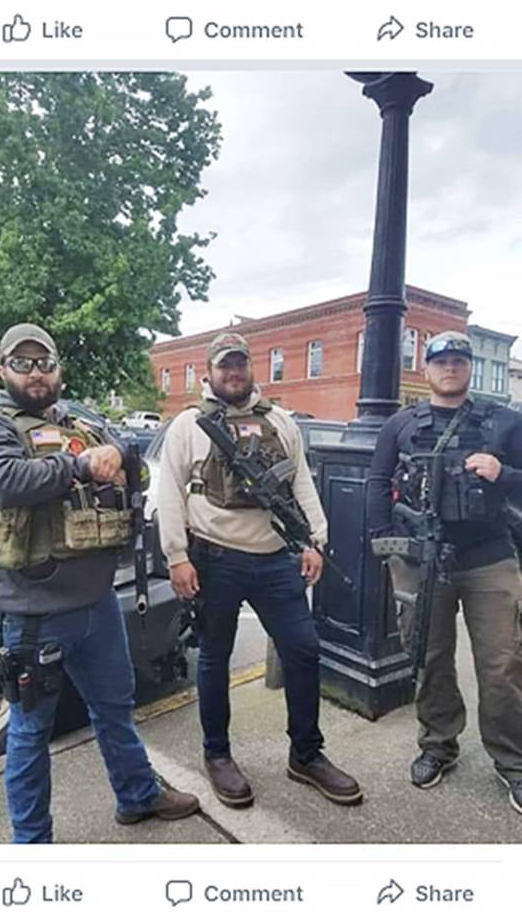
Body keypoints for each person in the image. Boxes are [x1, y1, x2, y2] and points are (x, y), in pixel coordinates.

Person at [0, 322, 199, 843]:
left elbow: (134, 472)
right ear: (3, 371)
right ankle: (33, 845)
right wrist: (82, 464)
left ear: (58, 368)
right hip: (30, 614)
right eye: (21, 363)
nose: (36, 372)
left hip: (97, 605)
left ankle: (137, 796)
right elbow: (4, 479)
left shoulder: (81, 423)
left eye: (44, 362)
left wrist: (122, 457)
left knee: (115, 706)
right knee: (29, 733)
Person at [157, 331, 362, 808]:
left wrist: (316, 540)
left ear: (251, 369)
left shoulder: (281, 422)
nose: (233, 373)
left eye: (240, 365)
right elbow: (169, 493)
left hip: (274, 558)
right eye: (224, 365)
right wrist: (176, 556)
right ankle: (217, 755)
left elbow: (302, 483)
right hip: (214, 557)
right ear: (209, 372)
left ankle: (306, 754)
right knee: (213, 658)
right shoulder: (190, 425)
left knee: (304, 650)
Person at [367, 330, 522, 814]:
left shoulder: (504, 423)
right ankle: (437, 744)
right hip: (419, 559)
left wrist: (505, 473)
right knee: (429, 658)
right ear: (427, 370)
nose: (450, 367)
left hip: (488, 558)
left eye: (459, 360)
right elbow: (376, 482)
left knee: (503, 666)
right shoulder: (400, 424)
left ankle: (513, 762)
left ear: (470, 367)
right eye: (441, 361)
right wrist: (384, 546)